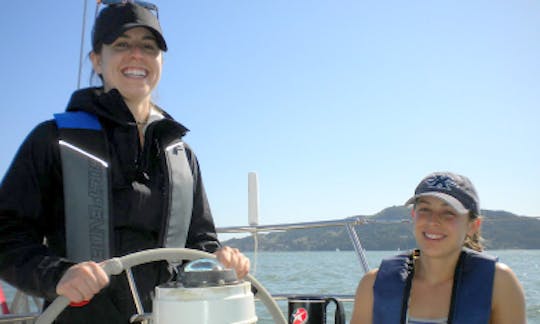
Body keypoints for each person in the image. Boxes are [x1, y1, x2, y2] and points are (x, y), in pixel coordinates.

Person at [0, 1, 249, 323]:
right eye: (121, 45)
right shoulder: (51, 140)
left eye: (149, 46)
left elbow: (200, 243)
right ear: (96, 60)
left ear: (160, 61)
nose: (137, 55)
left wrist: (220, 259)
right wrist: (56, 274)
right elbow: (6, 233)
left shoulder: (182, 156)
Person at [351, 172, 526, 324]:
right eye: (425, 209)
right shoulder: (372, 284)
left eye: (448, 212)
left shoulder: (499, 283)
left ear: (473, 225)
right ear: (413, 216)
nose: (433, 221)